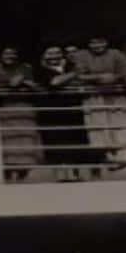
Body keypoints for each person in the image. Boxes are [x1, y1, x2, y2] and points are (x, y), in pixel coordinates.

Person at [73, 34, 126, 173]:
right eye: (93, 42)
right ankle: (109, 158)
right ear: (88, 44)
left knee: (118, 124)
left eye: (101, 42)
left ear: (107, 42)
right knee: (99, 126)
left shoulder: (116, 53)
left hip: (115, 94)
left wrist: (115, 77)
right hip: (94, 96)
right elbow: (79, 75)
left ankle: (121, 157)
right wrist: (98, 77)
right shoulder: (81, 55)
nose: (97, 45)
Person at [33, 45, 91, 182]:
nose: (54, 56)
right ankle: (61, 176)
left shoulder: (69, 67)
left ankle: (76, 174)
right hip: (51, 112)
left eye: (57, 52)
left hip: (72, 110)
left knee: (75, 142)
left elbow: (81, 83)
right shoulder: (40, 70)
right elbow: (54, 82)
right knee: (55, 143)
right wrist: (74, 74)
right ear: (44, 56)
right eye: (50, 53)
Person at [0, 46, 43, 183]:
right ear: (1, 56)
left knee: (26, 142)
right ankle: (7, 176)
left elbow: (35, 86)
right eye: (6, 53)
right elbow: (11, 83)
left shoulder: (25, 68)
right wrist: (21, 81)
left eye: (13, 53)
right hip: (5, 109)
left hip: (25, 109)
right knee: (6, 143)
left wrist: (22, 80)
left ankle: (21, 176)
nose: (10, 56)